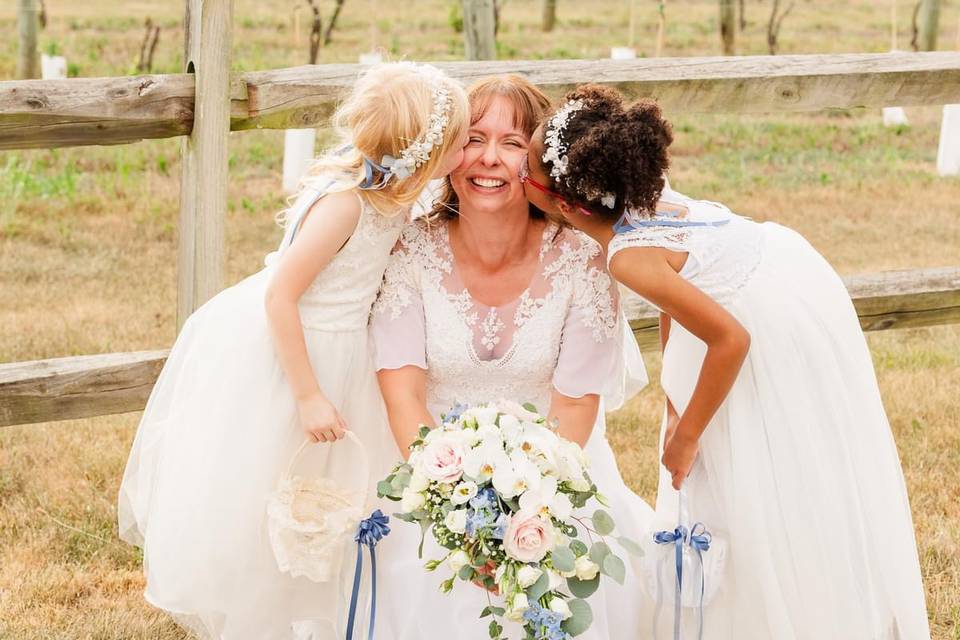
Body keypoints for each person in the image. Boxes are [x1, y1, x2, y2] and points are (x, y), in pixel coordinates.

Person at [521, 83, 931, 640]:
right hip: (786, 274)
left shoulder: (625, 257)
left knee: (764, 467)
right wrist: (674, 389)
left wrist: (687, 434)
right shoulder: (640, 195)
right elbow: (676, 296)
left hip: (762, 325)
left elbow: (730, 340)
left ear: (565, 205)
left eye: (528, 180)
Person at [117, 62, 469, 640]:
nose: (464, 149)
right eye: (458, 141)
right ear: (421, 151)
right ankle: (267, 611)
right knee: (279, 484)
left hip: (349, 346)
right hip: (302, 353)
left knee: (342, 489)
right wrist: (308, 395)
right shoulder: (346, 205)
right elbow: (282, 296)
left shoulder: (395, 191)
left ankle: (334, 610)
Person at [369, 75, 655, 640]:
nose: (490, 159)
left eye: (512, 143)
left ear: (540, 160)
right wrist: (455, 508)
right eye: (473, 138)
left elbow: (574, 409)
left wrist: (523, 512)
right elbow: (402, 394)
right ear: (448, 151)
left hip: (556, 484)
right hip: (432, 482)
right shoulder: (409, 250)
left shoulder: (583, 262)